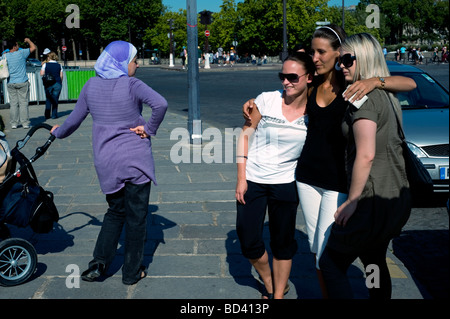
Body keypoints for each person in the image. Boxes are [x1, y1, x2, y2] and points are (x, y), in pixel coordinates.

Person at [243, 25, 416, 298]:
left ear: (339, 53)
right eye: (312, 52)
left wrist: (375, 81)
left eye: (321, 52)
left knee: (340, 255)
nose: (315, 57)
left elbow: (410, 84)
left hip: (340, 182)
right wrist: (255, 102)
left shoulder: (351, 84)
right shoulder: (311, 84)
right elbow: (282, 92)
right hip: (308, 178)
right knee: (318, 250)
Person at [50, 40, 168, 285]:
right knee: (136, 219)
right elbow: (160, 104)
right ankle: (132, 272)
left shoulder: (90, 85)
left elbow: (74, 119)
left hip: (108, 163)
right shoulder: (132, 84)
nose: (136, 64)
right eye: (134, 60)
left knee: (115, 213)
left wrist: (57, 132)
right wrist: (148, 129)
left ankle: (98, 264)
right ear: (121, 63)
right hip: (135, 162)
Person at [319, 33, 412, 299]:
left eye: (348, 59)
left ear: (365, 59)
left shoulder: (363, 98)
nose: (342, 66)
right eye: (340, 60)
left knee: (331, 264)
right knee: (373, 260)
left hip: (371, 200)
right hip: (394, 196)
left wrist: (353, 200)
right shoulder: (385, 93)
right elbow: (409, 84)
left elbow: (366, 155)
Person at [236, 52, 315, 299]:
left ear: (309, 78)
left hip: (287, 183)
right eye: (283, 76)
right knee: (248, 239)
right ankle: (268, 280)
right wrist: (241, 177)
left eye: (292, 77)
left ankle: (278, 295)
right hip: (254, 179)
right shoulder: (267, 100)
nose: (286, 82)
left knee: (283, 243)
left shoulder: (315, 111)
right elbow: (245, 134)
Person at [2, 38, 36, 129]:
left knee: (13, 104)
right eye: (17, 45)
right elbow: (33, 47)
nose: (18, 46)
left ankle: (14, 123)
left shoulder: (5, 56)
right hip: (22, 82)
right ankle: (25, 123)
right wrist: (28, 40)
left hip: (11, 83)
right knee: (23, 103)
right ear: (14, 46)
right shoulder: (22, 53)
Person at [40, 51, 63, 119]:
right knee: (55, 99)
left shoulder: (45, 65)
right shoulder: (59, 65)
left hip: (48, 84)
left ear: (49, 57)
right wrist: (60, 82)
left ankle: (47, 115)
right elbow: (61, 76)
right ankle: (54, 115)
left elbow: (41, 74)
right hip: (57, 83)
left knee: (48, 99)